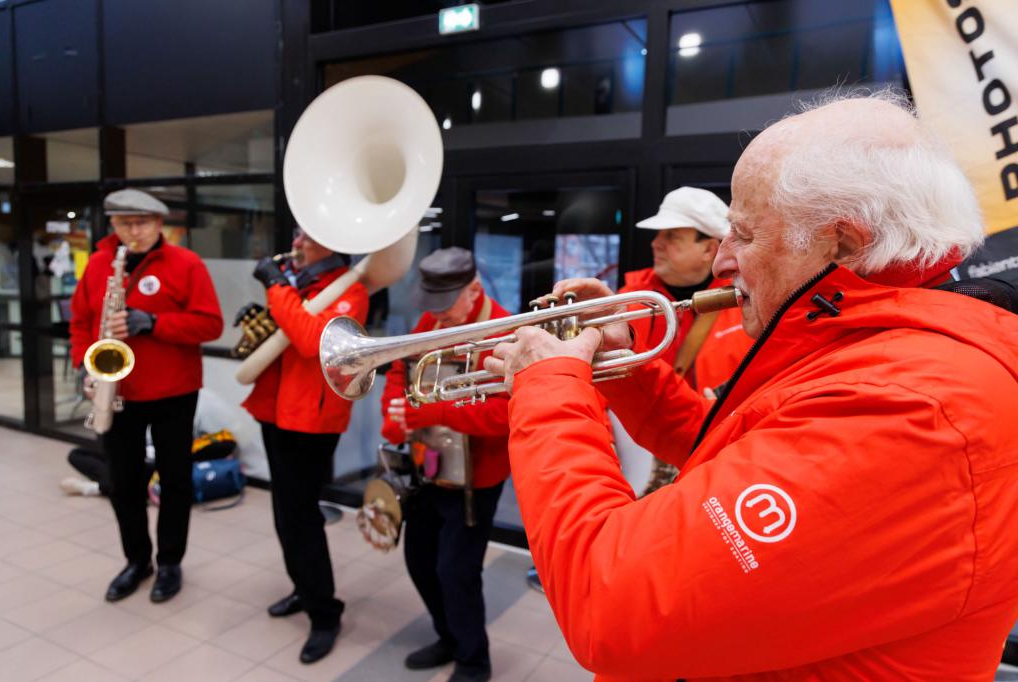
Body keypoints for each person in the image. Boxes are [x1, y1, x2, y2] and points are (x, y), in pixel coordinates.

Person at [485, 91, 1018, 679]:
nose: (722, 262)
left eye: (744, 234)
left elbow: (609, 603)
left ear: (841, 244)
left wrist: (547, 388)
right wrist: (628, 363)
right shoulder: (874, 344)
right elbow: (718, 451)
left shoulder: (917, 406)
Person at [69, 188, 223, 604]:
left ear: (160, 224)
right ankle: (137, 560)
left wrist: (153, 322)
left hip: (174, 390)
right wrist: (84, 361)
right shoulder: (100, 263)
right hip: (117, 390)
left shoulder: (186, 263)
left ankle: (170, 562)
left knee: (174, 480)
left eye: (142, 223)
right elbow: (81, 320)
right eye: (123, 224)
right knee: (123, 482)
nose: (133, 232)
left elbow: (211, 325)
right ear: (113, 225)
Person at [380, 247, 510, 682]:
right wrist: (392, 415)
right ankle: (449, 636)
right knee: (419, 561)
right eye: (431, 305)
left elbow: (510, 413)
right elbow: (402, 371)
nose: (436, 316)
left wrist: (435, 413)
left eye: (446, 304)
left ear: (474, 289)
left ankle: (474, 659)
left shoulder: (503, 329)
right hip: (427, 466)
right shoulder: (432, 323)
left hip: (478, 477)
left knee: (457, 572)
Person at [240, 227, 368, 664]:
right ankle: (303, 588)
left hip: (310, 421)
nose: (298, 243)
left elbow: (312, 341)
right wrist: (266, 309)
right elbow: (288, 330)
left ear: (334, 243)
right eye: (298, 235)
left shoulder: (351, 290)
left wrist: (276, 287)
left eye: (308, 238)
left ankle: (325, 613)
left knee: (302, 517)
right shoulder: (305, 285)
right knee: (285, 513)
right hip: (276, 411)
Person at [620, 186, 753, 494]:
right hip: (640, 464)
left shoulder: (750, 304)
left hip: (723, 465)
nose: (656, 244)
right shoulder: (627, 303)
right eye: (657, 235)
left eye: (671, 237)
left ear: (709, 249)